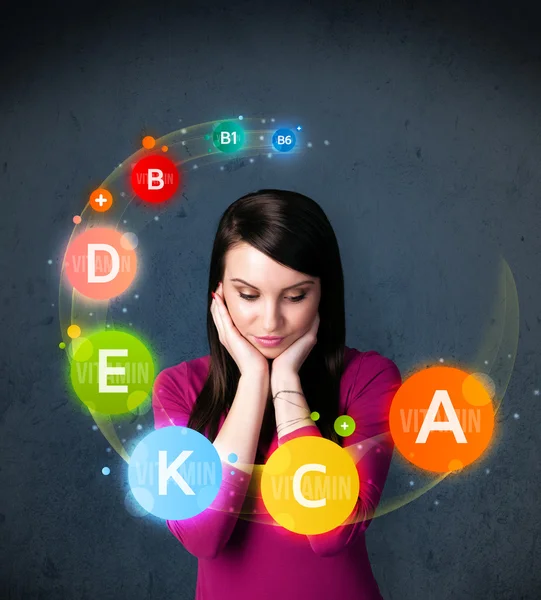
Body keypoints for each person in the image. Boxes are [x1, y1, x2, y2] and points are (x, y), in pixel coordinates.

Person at [152, 189, 402, 600]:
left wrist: (285, 386)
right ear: (219, 294)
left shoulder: (369, 379)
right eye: (248, 295)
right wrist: (253, 380)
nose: (271, 320)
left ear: (324, 293)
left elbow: (330, 534)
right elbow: (203, 538)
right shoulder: (178, 389)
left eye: (296, 295)